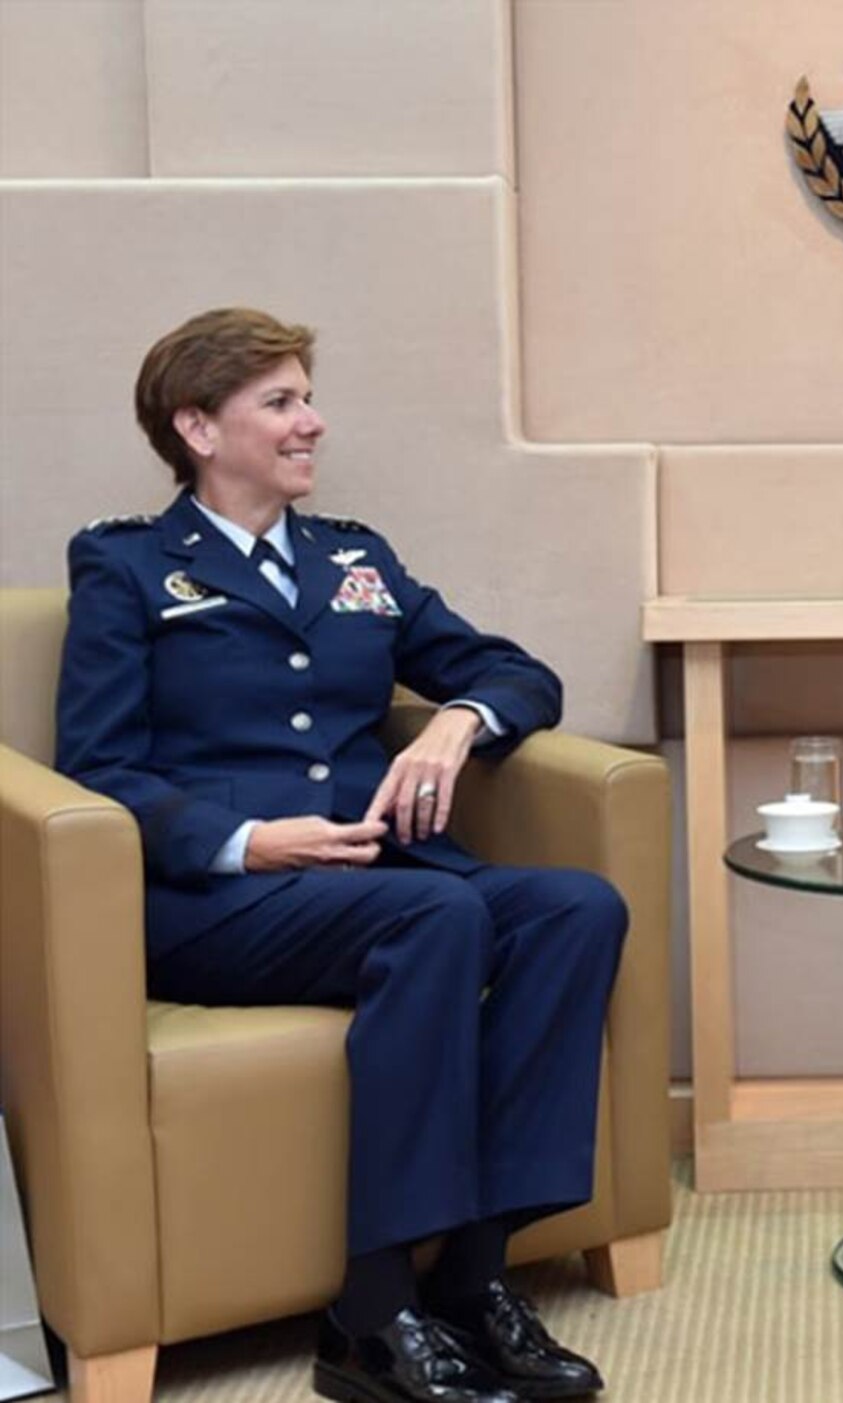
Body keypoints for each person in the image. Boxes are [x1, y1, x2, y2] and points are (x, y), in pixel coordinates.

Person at [57, 308, 626, 1403]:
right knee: (441, 916)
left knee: (576, 908)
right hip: (217, 901)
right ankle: (369, 1313)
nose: (311, 421)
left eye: (306, 395)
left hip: (373, 882)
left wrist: (459, 718)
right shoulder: (127, 567)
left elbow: (514, 671)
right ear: (197, 427)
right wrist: (246, 841)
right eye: (279, 401)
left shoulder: (355, 559)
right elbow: (99, 764)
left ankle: (471, 1276)